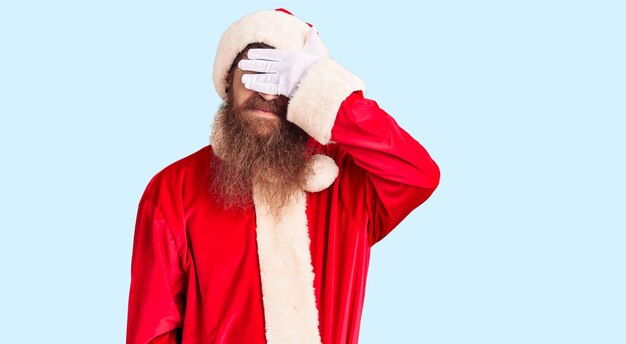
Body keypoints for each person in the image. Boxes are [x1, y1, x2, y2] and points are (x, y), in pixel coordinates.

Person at [126, 8, 440, 344]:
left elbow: (419, 174)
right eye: (255, 72)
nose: (268, 93)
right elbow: (151, 333)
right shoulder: (173, 191)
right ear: (228, 82)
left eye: (284, 79)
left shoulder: (349, 181)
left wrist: (328, 90)